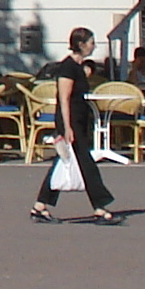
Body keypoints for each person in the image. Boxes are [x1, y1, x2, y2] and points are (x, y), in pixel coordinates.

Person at [31, 27, 120, 224]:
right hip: (69, 121)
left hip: (78, 119)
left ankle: (40, 205)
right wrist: (67, 127)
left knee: (63, 161)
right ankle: (99, 207)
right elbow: (63, 98)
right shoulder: (67, 68)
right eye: (91, 42)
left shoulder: (78, 67)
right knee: (86, 164)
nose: (94, 46)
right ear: (81, 45)